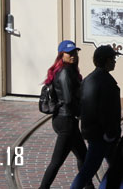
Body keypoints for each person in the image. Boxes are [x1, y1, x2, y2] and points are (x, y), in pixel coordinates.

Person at [70, 45, 122, 189]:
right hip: (103, 137)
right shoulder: (107, 83)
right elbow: (106, 112)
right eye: (113, 59)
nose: (115, 62)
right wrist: (111, 134)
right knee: (88, 171)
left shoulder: (88, 79)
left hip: (93, 133)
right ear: (106, 61)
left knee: (118, 168)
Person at [39, 40, 88, 189]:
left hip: (65, 120)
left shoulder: (66, 70)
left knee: (84, 158)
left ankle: (88, 186)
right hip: (66, 120)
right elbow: (68, 99)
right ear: (61, 55)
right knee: (57, 161)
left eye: (75, 52)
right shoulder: (65, 72)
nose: (73, 56)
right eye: (69, 53)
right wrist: (81, 113)